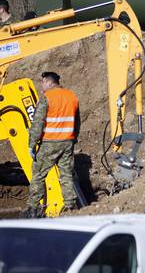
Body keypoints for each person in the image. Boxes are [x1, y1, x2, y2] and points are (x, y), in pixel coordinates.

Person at [23, 72, 80, 217]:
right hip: (67, 142)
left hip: (49, 143)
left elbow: (38, 123)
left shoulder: (47, 98)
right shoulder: (72, 96)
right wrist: (73, 139)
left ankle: (33, 210)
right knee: (66, 175)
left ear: (49, 82)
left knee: (38, 175)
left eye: (42, 82)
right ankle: (71, 208)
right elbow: (77, 122)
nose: (41, 86)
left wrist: (32, 144)